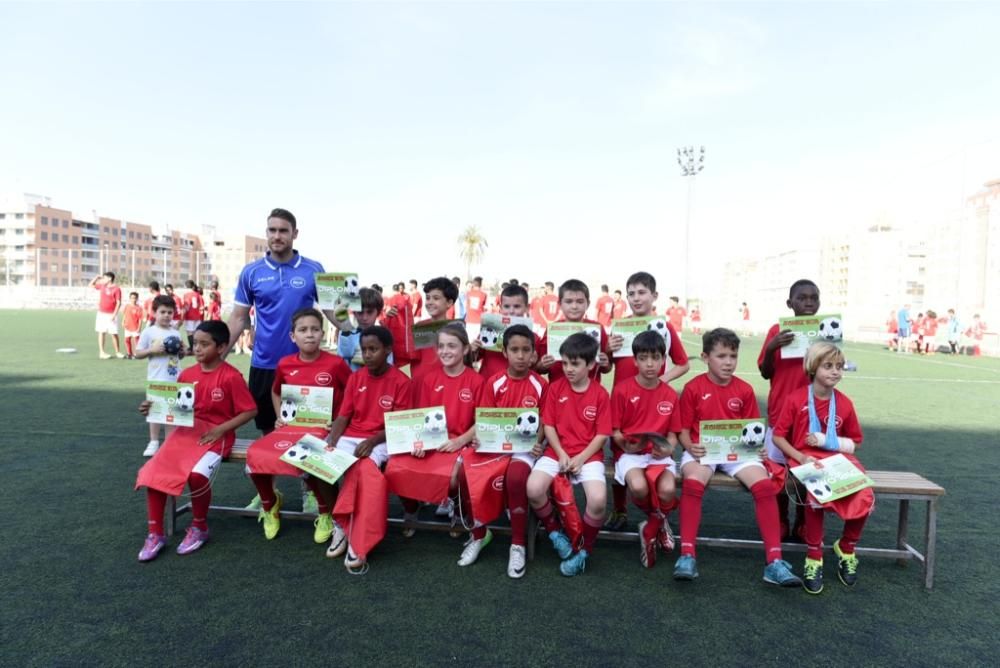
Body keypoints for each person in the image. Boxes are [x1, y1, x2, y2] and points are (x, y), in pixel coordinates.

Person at [673, 328, 801, 586]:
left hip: (737, 454)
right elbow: (682, 431)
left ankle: (774, 562)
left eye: (733, 355)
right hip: (704, 452)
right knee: (693, 483)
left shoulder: (744, 389)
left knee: (764, 486)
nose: (728, 362)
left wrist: (758, 449)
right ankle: (687, 554)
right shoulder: (693, 388)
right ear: (706, 357)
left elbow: (752, 430)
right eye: (721, 356)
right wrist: (691, 446)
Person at [225, 208, 329, 514]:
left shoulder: (314, 269)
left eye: (283, 231)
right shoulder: (252, 272)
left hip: (305, 368)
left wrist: (360, 328)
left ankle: (309, 491)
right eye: (271, 230)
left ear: (295, 234)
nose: (276, 236)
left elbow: (334, 312)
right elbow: (239, 317)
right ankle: (267, 492)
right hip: (265, 366)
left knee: (306, 432)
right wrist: (221, 353)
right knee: (269, 432)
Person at [135, 321, 257, 561]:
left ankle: (200, 527)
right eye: (195, 343)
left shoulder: (231, 377)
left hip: (218, 436)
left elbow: (250, 410)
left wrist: (221, 429)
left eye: (205, 344)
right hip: (186, 434)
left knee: (197, 475)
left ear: (221, 347)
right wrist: (151, 407)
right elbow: (177, 408)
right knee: (153, 471)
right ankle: (155, 534)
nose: (198, 349)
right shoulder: (187, 374)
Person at [771, 342, 874, 594]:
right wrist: (800, 457)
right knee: (818, 494)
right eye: (828, 366)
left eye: (839, 366)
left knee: (865, 495)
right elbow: (778, 437)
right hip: (805, 459)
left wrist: (831, 442)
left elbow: (855, 442)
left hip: (837, 460)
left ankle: (847, 547)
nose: (835, 372)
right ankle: (814, 557)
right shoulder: (795, 399)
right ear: (813, 367)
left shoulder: (846, 404)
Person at [245, 308, 351, 542]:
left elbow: (352, 394)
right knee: (255, 453)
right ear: (293, 336)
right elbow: (276, 392)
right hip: (291, 427)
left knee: (312, 456)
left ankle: (325, 512)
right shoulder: (284, 364)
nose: (309, 334)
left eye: (314, 329)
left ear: (323, 334)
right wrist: (279, 417)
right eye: (303, 330)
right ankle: (270, 503)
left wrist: (339, 421)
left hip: (322, 429)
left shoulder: (335, 364)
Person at [385, 324, 485, 552]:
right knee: (394, 468)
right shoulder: (428, 379)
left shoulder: (476, 381)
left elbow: (481, 421)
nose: (445, 351)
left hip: (462, 442)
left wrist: (459, 441)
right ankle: (412, 508)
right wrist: (417, 442)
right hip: (431, 442)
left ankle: (459, 512)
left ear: (466, 349)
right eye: (441, 346)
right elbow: (418, 416)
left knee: (454, 478)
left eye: (452, 346)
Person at [604, 271, 690, 531]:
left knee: (650, 452)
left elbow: (683, 364)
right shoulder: (619, 327)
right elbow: (606, 367)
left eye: (642, 293)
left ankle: (655, 514)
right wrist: (607, 350)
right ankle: (619, 510)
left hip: (653, 404)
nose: (636, 298)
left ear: (654, 296)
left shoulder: (664, 326)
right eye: (631, 293)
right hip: (623, 402)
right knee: (619, 451)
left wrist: (662, 382)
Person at [324, 326, 412, 572]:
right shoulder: (356, 377)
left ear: (387, 350)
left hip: (384, 440)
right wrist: (331, 440)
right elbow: (344, 416)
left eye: (374, 349)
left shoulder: (401, 382)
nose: (368, 354)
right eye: (364, 349)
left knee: (361, 468)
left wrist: (372, 442)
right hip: (352, 436)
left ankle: (346, 526)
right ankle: (343, 522)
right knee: (321, 465)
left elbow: (399, 425)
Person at [526, 332, 611, 576]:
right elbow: (549, 425)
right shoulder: (554, 388)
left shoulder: (600, 395)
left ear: (591, 365)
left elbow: (602, 434)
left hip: (588, 456)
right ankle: (555, 533)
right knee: (533, 489)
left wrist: (581, 458)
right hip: (556, 452)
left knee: (597, 501)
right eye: (564, 363)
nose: (568, 369)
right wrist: (562, 453)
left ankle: (584, 551)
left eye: (575, 364)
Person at [469, 324, 547, 577]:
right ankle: (478, 534)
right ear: (504, 352)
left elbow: (545, 421)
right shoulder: (493, 382)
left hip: (524, 450)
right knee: (466, 472)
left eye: (526, 350)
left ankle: (517, 544)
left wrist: (539, 442)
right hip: (495, 447)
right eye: (515, 350)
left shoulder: (540, 385)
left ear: (534, 354)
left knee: (515, 477)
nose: (521, 356)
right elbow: (485, 420)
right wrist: (480, 440)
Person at [611, 330, 681, 568]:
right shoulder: (622, 390)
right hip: (630, 455)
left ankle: (650, 526)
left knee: (668, 490)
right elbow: (615, 431)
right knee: (639, 487)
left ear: (664, 360)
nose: (650, 364)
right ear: (635, 361)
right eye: (643, 358)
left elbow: (673, 435)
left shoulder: (670, 394)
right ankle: (659, 522)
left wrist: (667, 448)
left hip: (659, 456)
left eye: (655, 357)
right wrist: (627, 445)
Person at [757, 278, 820, 539]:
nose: (807, 302)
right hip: (780, 413)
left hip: (812, 416)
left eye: (813, 298)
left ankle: (804, 521)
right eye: (802, 297)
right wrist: (772, 348)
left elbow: (831, 370)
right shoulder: (777, 331)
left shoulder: (825, 331)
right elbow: (764, 371)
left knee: (809, 468)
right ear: (789, 303)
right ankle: (781, 518)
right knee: (778, 470)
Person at [135, 295, 188, 457]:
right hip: (156, 379)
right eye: (163, 312)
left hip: (175, 378)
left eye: (170, 312)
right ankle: (153, 441)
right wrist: (152, 350)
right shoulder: (149, 332)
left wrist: (182, 352)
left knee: (172, 412)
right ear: (154, 313)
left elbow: (181, 355)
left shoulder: (176, 333)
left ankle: (169, 443)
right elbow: (137, 353)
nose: (166, 315)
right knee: (155, 411)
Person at [536, 279, 611, 385]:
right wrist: (543, 365)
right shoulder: (552, 329)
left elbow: (606, 369)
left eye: (580, 301)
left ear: (588, 304)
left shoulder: (596, 329)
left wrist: (605, 363)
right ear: (560, 304)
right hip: (558, 394)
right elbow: (539, 368)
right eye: (568, 301)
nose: (574, 306)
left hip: (589, 395)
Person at [472, 283, 540, 380]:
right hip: (488, 386)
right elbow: (474, 358)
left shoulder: (534, 338)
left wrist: (534, 363)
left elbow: (538, 369)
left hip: (517, 389)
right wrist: (473, 350)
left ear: (527, 308)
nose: (511, 311)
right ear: (500, 308)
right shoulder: (488, 331)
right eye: (507, 306)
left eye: (517, 306)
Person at [409, 276, 459, 382]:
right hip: (420, 386)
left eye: (436, 298)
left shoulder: (456, 330)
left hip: (444, 387)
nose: (430, 302)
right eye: (427, 298)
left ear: (449, 303)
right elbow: (408, 356)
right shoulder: (419, 327)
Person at [337, 287, 387, 371]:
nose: (364, 317)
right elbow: (343, 358)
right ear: (354, 312)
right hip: (352, 381)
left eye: (370, 312)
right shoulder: (346, 334)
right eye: (360, 312)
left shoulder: (384, 336)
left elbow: (389, 364)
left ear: (378, 312)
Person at [90, 272, 124, 359]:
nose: (102, 280)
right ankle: (102, 352)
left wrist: (114, 314)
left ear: (109, 278)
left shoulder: (117, 289)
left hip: (111, 314)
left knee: (114, 333)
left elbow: (118, 303)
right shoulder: (102, 286)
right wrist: (96, 277)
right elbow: (91, 285)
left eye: (104, 278)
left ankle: (117, 352)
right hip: (101, 314)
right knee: (101, 332)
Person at [182, 280, 205, 349]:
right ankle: (197, 346)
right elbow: (201, 306)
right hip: (197, 316)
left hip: (189, 316)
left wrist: (182, 315)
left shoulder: (186, 295)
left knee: (189, 333)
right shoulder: (197, 294)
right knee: (195, 332)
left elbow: (187, 306)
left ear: (186, 286)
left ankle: (192, 348)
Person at [122, 291, 145, 359]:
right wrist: (123, 322)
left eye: (135, 298)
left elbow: (140, 319)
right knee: (127, 340)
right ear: (130, 298)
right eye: (132, 298)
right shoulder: (127, 306)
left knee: (137, 341)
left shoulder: (139, 308)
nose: (133, 299)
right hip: (127, 327)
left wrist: (139, 327)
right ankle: (129, 353)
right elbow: (125, 315)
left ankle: (137, 353)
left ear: (137, 299)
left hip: (135, 327)